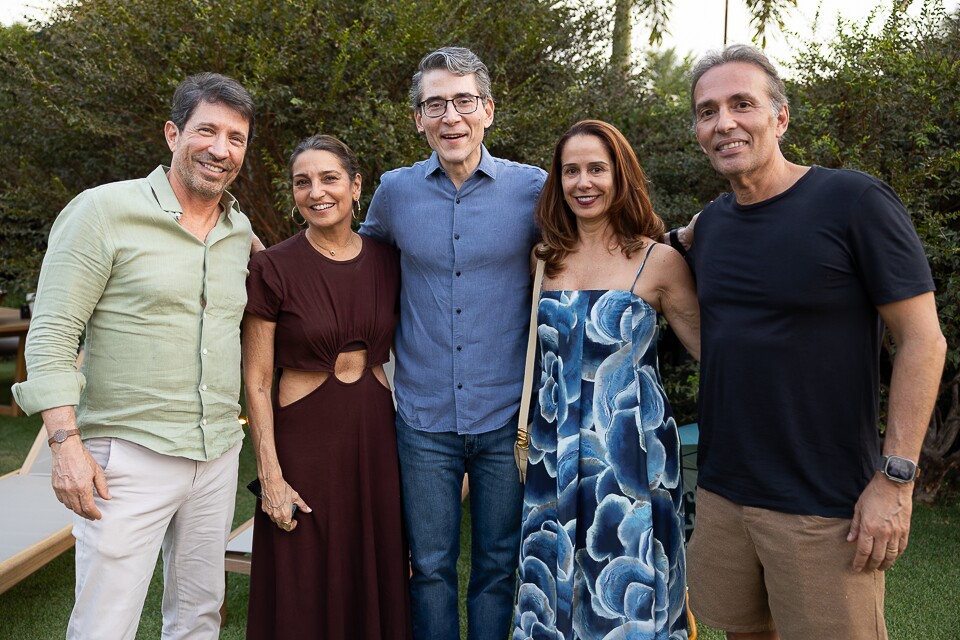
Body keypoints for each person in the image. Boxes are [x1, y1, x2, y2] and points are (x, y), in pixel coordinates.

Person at [680, 45, 947, 640]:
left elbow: (923, 341)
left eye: (741, 104)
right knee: (741, 632)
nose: (723, 122)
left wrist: (896, 479)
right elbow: (647, 251)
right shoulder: (713, 224)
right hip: (723, 493)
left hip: (823, 504)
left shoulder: (853, 202)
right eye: (707, 111)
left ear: (780, 117)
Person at [11, 72, 256, 639]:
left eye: (236, 137)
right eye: (207, 131)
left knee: (197, 618)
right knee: (105, 624)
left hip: (218, 452)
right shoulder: (102, 212)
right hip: (125, 457)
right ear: (173, 133)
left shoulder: (238, 230)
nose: (221, 149)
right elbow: (52, 334)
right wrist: (64, 444)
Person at [360, 46, 546, 639]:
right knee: (431, 568)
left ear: (487, 110)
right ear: (418, 119)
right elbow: (350, 262)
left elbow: (586, 251)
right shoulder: (394, 193)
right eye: (434, 104)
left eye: (463, 101)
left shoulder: (534, 190)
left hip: (507, 420)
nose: (451, 117)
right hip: (422, 418)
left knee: (497, 566)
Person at [512, 120, 700, 639]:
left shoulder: (658, 261)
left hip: (630, 450)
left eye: (597, 168)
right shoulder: (542, 259)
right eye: (571, 171)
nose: (583, 182)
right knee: (551, 582)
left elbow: (713, 354)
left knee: (624, 582)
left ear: (621, 176)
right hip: (551, 445)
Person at [242, 134, 410, 638]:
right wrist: (270, 475)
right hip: (306, 444)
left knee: (373, 565)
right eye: (302, 182)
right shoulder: (272, 267)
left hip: (375, 438)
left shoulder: (389, 260)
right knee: (303, 573)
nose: (316, 191)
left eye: (329, 178)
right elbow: (255, 381)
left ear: (356, 187)